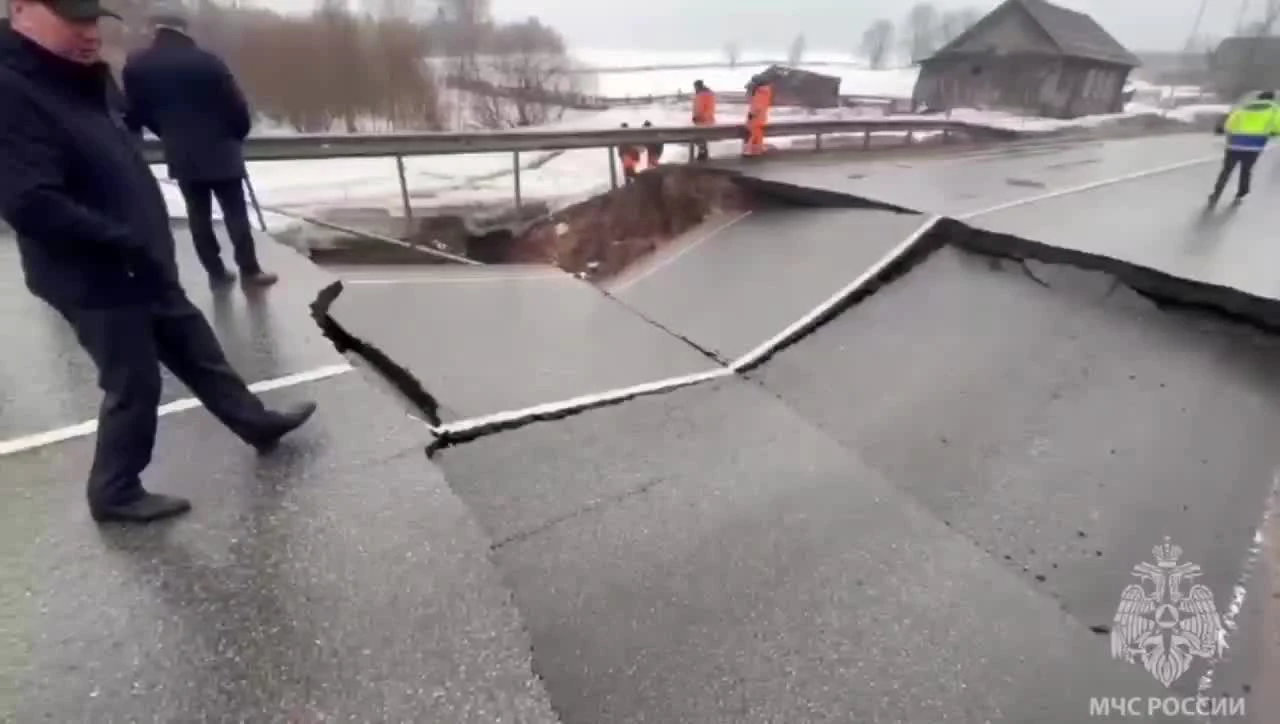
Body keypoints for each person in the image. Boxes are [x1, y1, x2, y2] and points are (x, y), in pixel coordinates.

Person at [0, 0, 316, 523]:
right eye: (72, 20)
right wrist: (118, 239)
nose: (88, 33)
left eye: (92, 20)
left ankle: (254, 422)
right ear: (21, 10)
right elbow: (29, 201)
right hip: (91, 269)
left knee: (194, 344)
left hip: (136, 255)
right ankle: (115, 489)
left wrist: (141, 241)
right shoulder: (13, 92)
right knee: (135, 380)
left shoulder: (81, 80)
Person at [122, 6, 277, 288]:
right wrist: (236, 134)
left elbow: (137, 111)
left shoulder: (138, 66)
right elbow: (236, 106)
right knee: (235, 212)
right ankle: (250, 271)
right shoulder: (207, 62)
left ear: (155, 30)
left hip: (181, 150)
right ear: (183, 30)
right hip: (221, 147)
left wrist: (166, 132)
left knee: (198, 214)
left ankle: (216, 271)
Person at [1209, 90, 1280, 206]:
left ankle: (1216, 194)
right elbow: (1278, 127)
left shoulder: (1245, 107)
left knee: (1226, 171)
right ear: (1272, 99)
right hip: (1253, 146)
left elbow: (1229, 124)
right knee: (1246, 170)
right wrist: (1272, 133)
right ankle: (1241, 193)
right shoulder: (1274, 109)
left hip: (1234, 144)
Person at [744, 77, 773, 157]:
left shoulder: (760, 92)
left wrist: (751, 114)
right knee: (758, 133)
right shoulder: (765, 91)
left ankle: (749, 150)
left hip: (756, 116)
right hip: (761, 116)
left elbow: (757, 105)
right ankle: (757, 150)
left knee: (753, 133)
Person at [691, 79, 716, 161]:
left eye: (695, 87)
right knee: (703, 138)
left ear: (697, 86)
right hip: (710, 119)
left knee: (699, 138)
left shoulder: (700, 95)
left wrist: (695, 117)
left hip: (701, 120)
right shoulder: (710, 94)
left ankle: (702, 154)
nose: (694, 89)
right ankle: (703, 153)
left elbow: (699, 108)